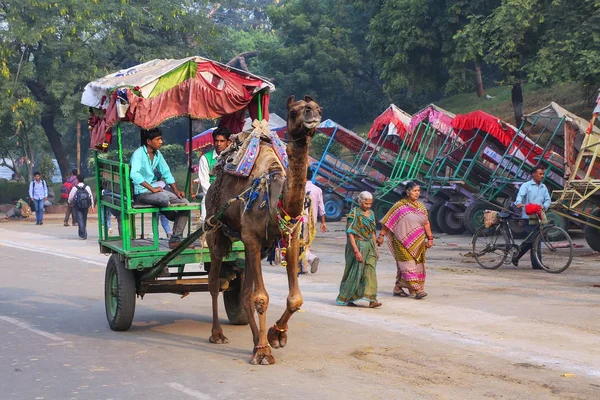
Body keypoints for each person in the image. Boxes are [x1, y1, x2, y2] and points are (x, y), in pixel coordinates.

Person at [130, 128, 189, 249]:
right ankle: (173, 215)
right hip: (141, 193)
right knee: (163, 198)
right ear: (149, 141)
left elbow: (166, 172)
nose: (161, 141)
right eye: (158, 139)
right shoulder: (139, 154)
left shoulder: (158, 154)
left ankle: (175, 238)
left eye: (160, 139)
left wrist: (176, 191)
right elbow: (134, 174)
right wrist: (152, 188)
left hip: (156, 192)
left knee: (185, 203)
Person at [376, 181, 433, 300]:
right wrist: (381, 236)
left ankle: (398, 288)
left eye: (418, 191)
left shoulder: (422, 206)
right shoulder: (399, 206)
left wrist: (430, 238)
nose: (417, 193)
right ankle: (417, 290)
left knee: (415, 265)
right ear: (408, 192)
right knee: (407, 264)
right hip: (400, 241)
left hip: (418, 242)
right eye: (414, 191)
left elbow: (426, 222)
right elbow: (388, 221)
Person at [336, 191, 382, 308]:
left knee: (370, 271)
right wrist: (356, 251)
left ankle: (372, 299)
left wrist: (376, 249)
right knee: (355, 272)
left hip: (369, 245)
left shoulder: (371, 213)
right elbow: (350, 234)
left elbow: (372, 232)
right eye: (366, 203)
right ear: (360, 201)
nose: (368, 206)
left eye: (370, 204)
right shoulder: (354, 214)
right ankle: (347, 297)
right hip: (357, 245)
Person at [512, 165, 551, 270]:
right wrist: (519, 202)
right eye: (540, 174)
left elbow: (548, 200)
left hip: (539, 217)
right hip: (528, 217)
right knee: (534, 240)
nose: (542, 176)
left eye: (543, 174)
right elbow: (520, 196)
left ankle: (520, 257)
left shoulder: (543, 187)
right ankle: (537, 264)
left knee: (536, 240)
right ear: (533, 174)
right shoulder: (526, 186)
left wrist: (545, 206)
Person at [198, 127, 231, 225]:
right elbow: (204, 182)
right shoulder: (205, 159)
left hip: (229, 194)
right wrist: (215, 195)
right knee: (204, 219)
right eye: (216, 141)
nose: (218, 144)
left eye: (222, 141)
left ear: (228, 142)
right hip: (210, 194)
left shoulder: (233, 157)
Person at [301, 168, 327, 274]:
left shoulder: (300, 189)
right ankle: (304, 267)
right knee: (307, 243)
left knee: (300, 243)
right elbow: (321, 207)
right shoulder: (317, 189)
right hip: (313, 221)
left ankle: (311, 258)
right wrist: (323, 222)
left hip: (301, 221)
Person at [68, 174, 95, 240]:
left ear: (77, 179)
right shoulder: (87, 187)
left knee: (80, 220)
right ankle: (82, 232)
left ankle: (83, 233)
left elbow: (70, 197)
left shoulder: (75, 188)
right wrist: (92, 206)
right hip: (86, 206)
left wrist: (69, 202)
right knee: (84, 219)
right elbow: (90, 196)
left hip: (77, 206)